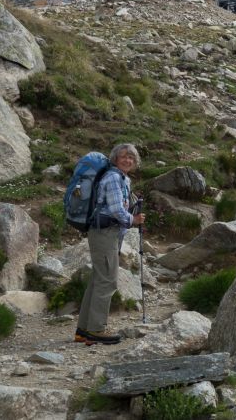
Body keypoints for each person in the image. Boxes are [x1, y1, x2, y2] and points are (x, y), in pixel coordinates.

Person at [75, 144, 145, 344]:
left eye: (131, 157)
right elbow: (116, 210)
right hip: (105, 233)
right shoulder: (114, 177)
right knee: (107, 281)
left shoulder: (123, 178)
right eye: (123, 156)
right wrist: (134, 220)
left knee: (99, 279)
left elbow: (117, 207)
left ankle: (83, 330)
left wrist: (129, 214)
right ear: (115, 159)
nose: (128, 160)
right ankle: (96, 330)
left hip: (107, 233)